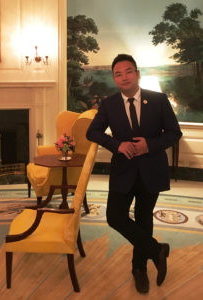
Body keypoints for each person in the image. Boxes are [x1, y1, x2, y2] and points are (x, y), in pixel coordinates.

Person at [86, 54, 182, 294]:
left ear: (137, 74)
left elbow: (174, 133)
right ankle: (156, 250)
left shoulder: (158, 100)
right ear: (114, 79)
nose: (124, 77)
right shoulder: (109, 104)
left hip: (152, 169)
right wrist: (116, 144)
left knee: (143, 218)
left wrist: (148, 145)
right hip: (123, 171)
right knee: (115, 217)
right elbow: (93, 132)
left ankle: (139, 269)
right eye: (118, 74)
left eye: (128, 71)